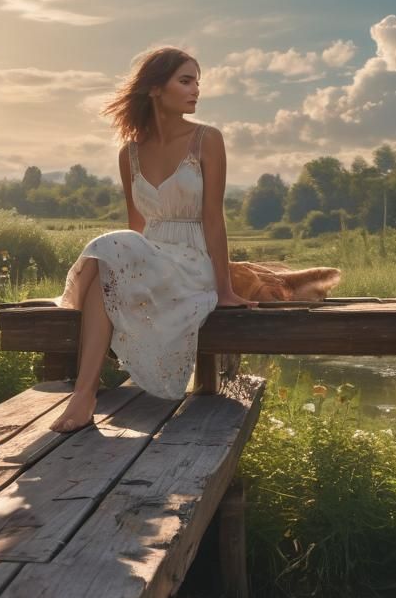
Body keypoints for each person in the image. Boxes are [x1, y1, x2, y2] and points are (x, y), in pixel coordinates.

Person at [50, 46, 254, 433]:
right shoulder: (130, 153)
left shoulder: (207, 139)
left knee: (109, 251)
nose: (196, 90)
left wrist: (223, 287)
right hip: (154, 256)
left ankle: (82, 393)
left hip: (195, 261)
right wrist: (131, 276)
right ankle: (84, 395)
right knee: (110, 268)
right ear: (156, 89)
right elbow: (135, 226)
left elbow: (213, 218)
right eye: (186, 80)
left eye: (197, 82)